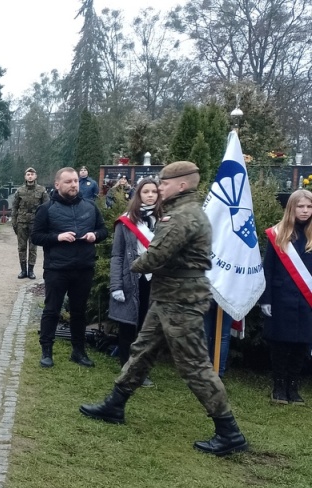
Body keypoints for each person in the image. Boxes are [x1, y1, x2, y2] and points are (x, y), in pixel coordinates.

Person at [80, 161, 249, 457]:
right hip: (169, 296)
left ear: (182, 184)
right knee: (142, 350)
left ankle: (229, 431)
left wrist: (134, 265)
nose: (160, 188)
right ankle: (115, 404)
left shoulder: (181, 216)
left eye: (165, 183)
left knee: (194, 365)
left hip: (180, 301)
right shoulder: (186, 212)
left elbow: (154, 256)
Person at [31, 167, 108, 368]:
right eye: (68, 181)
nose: (74, 184)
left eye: (75, 181)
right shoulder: (46, 209)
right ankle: (46, 351)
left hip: (83, 267)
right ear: (57, 185)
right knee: (52, 310)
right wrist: (57, 237)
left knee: (79, 311)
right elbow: (36, 236)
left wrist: (95, 236)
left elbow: (103, 230)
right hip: (57, 268)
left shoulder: (90, 207)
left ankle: (78, 351)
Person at [260, 189, 312, 405]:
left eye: (309, 207)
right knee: (281, 344)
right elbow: (268, 269)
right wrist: (266, 299)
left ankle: (293, 385)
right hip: (282, 298)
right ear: (292, 208)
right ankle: (279, 385)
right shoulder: (278, 234)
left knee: (302, 343)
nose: (305, 211)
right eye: (301, 206)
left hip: (307, 300)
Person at [109, 177, 160, 386]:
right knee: (129, 327)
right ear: (138, 195)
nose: (150, 195)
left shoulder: (165, 219)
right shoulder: (127, 221)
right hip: (132, 280)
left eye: (154, 192)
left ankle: (142, 370)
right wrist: (116, 285)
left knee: (147, 330)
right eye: (145, 191)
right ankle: (127, 368)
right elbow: (117, 255)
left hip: (155, 281)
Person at [11, 167, 48, 279]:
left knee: (33, 247)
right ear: (25, 176)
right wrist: (14, 222)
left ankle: (31, 270)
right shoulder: (20, 191)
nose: (30, 176)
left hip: (35, 223)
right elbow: (14, 207)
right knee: (21, 247)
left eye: (32, 174)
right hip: (22, 222)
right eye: (28, 174)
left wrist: (44, 223)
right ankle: (23, 270)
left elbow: (46, 207)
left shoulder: (41, 190)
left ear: (35, 176)